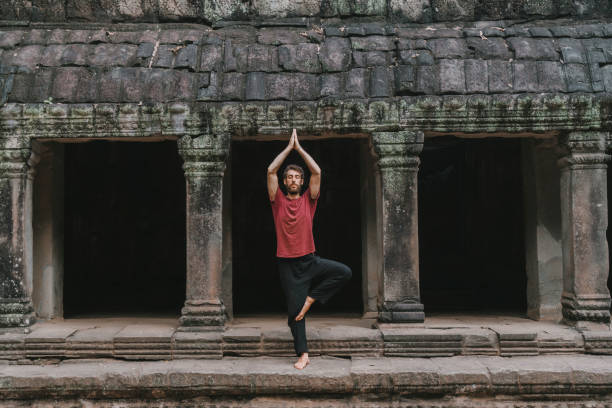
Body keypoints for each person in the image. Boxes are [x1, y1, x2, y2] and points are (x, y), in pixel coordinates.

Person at [267, 128, 352, 370]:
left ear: (302, 182)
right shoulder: (278, 201)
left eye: (297, 178)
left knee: (344, 272)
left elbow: (317, 171)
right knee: (295, 315)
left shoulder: (308, 200)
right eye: (290, 177)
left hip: (309, 261)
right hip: (287, 264)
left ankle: (311, 299)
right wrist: (287, 149)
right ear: (284, 182)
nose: (293, 180)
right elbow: (271, 170)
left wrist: (299, 149)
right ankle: (303, 354)